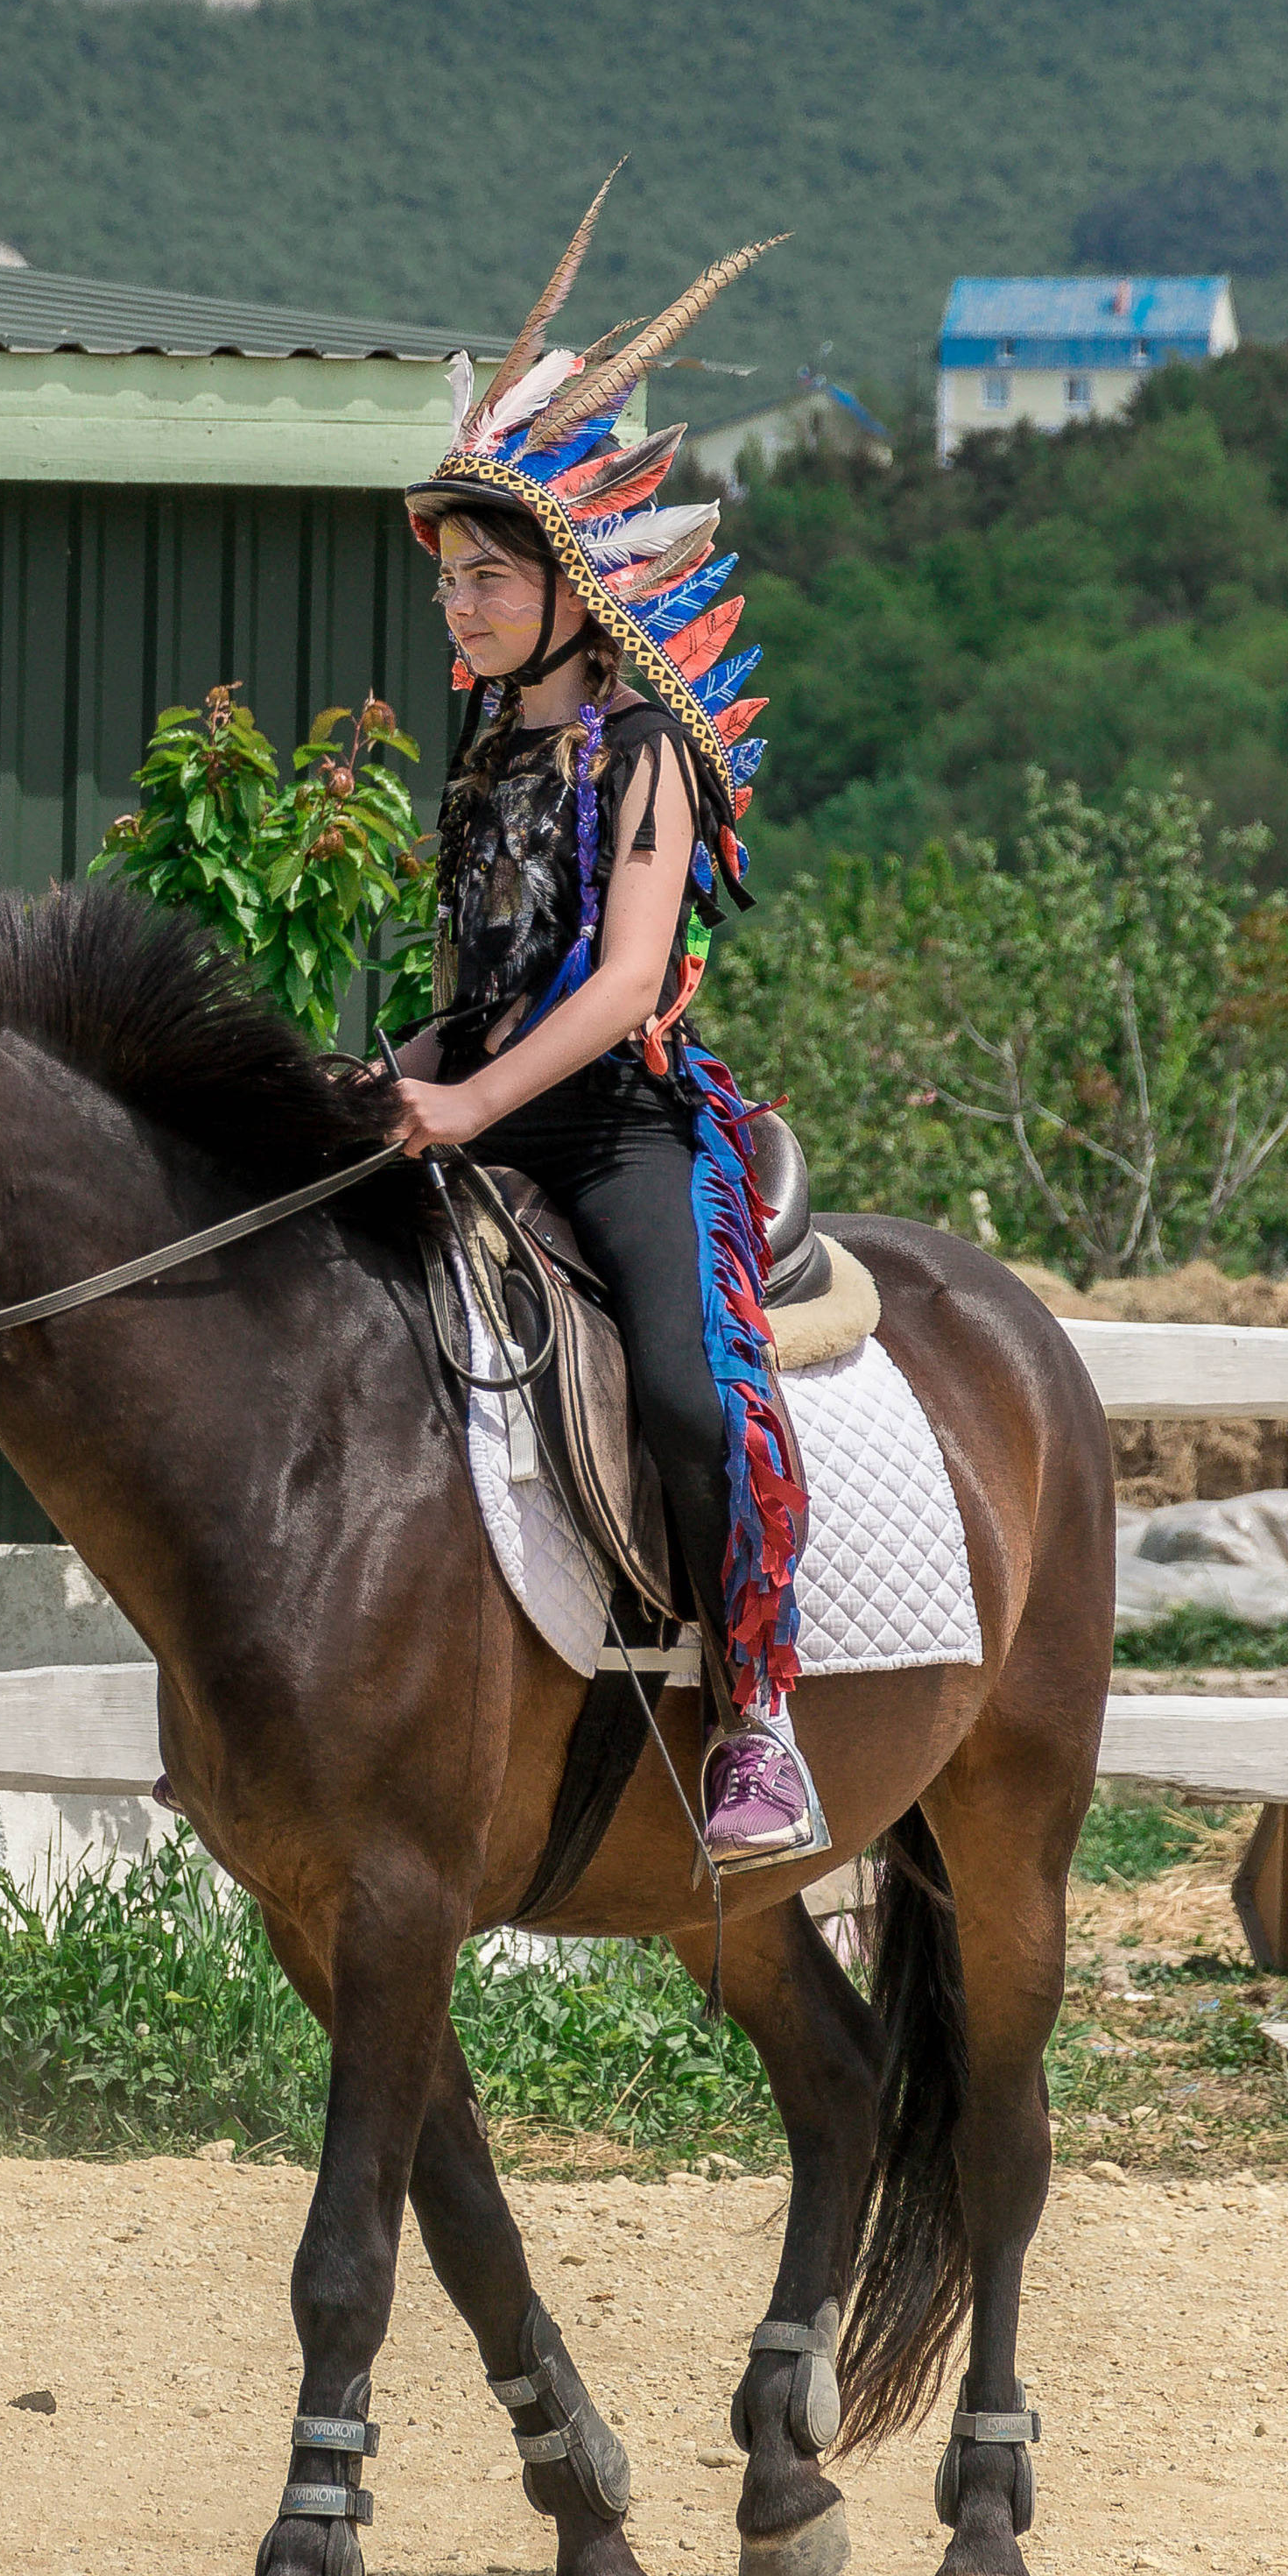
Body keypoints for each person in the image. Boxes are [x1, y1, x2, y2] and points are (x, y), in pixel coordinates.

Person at [387, 180, 821, 1867]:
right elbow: (472, 999)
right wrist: (395, 1080)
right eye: (451, 585)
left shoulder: (641, 756)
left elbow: (623, 986)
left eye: (489, 577)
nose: (463, 607)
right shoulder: (488, 760)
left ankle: (761, 1718)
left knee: (697, 1401)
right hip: (488, 1102)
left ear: (573, 587)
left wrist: (467, 1101)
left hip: (619, 1123)